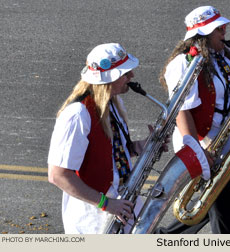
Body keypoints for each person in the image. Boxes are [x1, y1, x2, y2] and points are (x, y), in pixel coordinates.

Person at [156, 6, 230, 234]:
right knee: (225, 212)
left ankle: (162, 239)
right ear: (203, 33)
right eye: (218, 28)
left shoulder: (224, 59)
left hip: (224, 142)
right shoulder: (184, 63)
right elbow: (181, 110)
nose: (224, 30)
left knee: (209, 207)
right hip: (203, 144)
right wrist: (197, 152)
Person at [48, 43, 154, 233]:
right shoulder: (77, 114)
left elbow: (112, 153)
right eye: (125, 73)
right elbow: (58, 175)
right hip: (94, 220)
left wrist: (143, 146)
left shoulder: (113, 102)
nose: (131, 77)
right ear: (109, 78)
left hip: (121, 206)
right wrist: (107, 204)